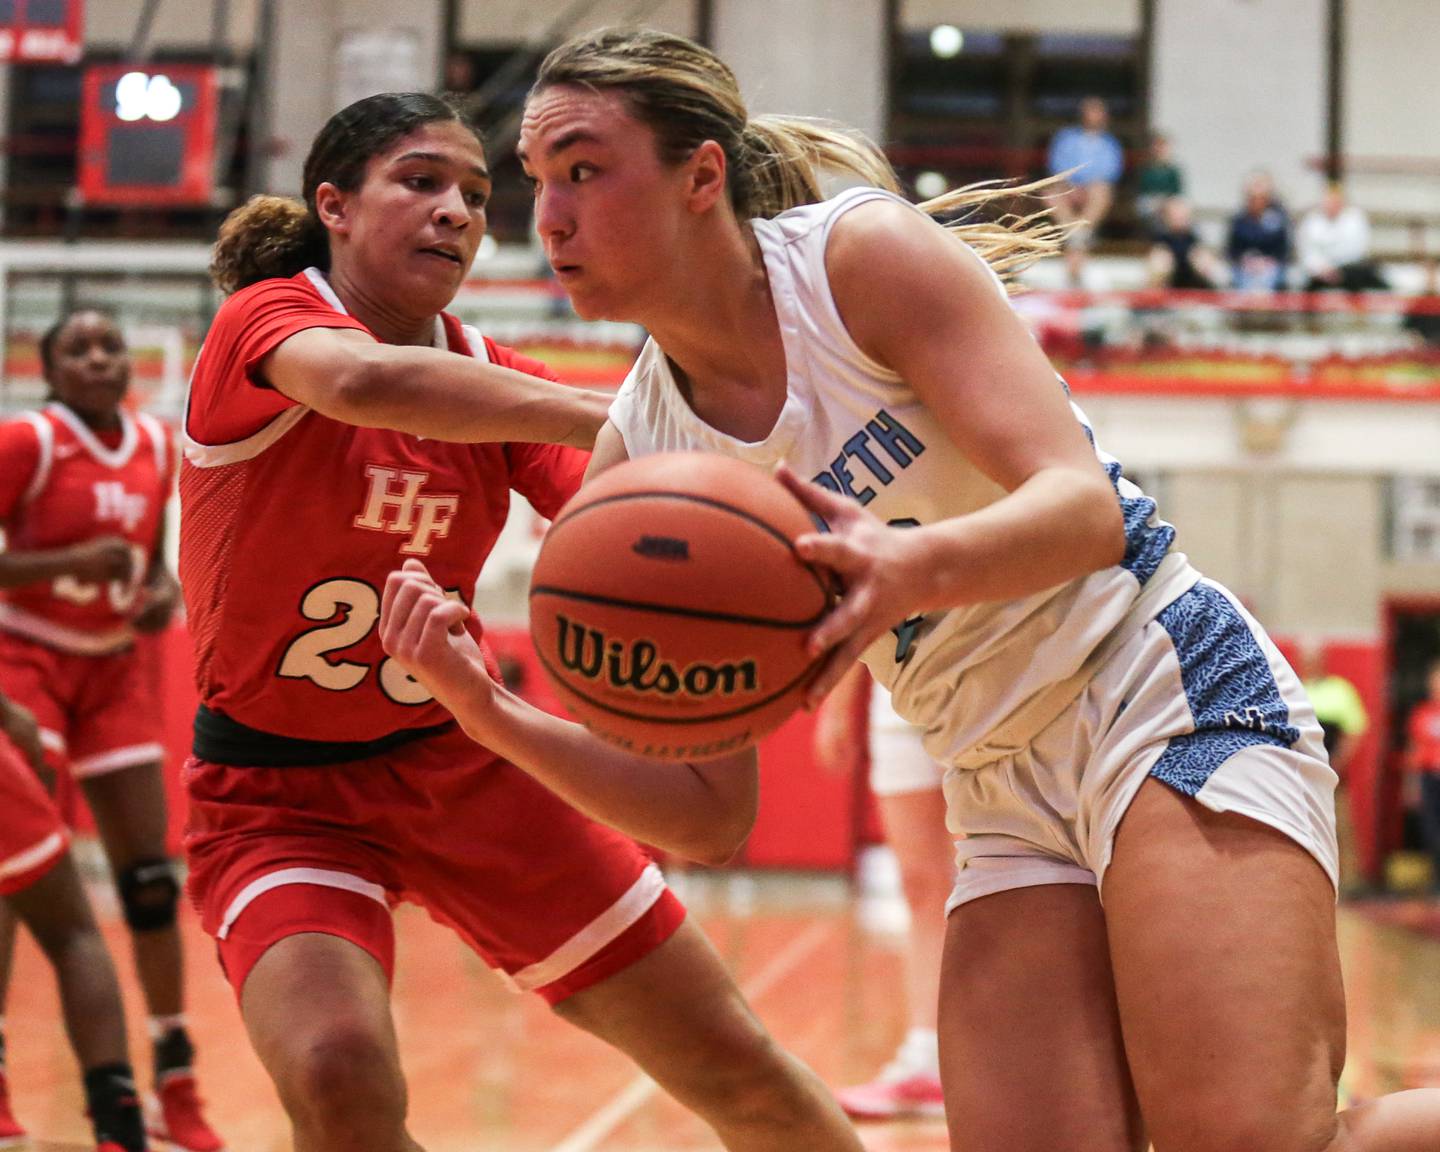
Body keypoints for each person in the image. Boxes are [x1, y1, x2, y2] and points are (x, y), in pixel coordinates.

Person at [407, 26, 1440, 1151]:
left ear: (701, 175)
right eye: (538, 181)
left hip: (1155, 688)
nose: (547, 216)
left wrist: (909, 567)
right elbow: (710, 817)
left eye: (584, 171)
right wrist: (491, 713)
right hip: (994, 782)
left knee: (1251, 1143)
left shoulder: (856, 262)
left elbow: (1084, 506)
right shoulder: (643, 451)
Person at [181, 91, 861, 1152]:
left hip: (462, 767)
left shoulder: (499, 386)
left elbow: (633, 514)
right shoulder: (263, 323)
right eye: (420, 181)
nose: (456, 210)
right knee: (336, 1071)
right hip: (276, 792)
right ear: (336, 207)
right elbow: (364, 381)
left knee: (743, 1071)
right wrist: (624, 410)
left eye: (474, 194)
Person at [0, 310, 220, 1152]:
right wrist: (64, 565)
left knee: (151, 885)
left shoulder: (158, 447)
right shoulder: (32, 441)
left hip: (114, 667)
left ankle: (176, 1074)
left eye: (110, 345)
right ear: (51, 372)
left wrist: (161, 591)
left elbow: (146, 558)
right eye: (77, 350)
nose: (99, 357)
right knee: (23, 877)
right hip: (29, 659)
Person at [0, 686, 147, 1152]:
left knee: (148, 888)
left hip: (101, 669)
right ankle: (120, 1127)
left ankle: (138, 1104)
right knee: (72, 932)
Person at [812, 666, 948, 1120]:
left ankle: (1003, 1054)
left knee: (993, 877)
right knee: (919, 884)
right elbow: (862, 597)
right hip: (897, 693)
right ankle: (927, 1058)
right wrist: (838, 705)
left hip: (990, 680)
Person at [1297, 639, 1371, 895]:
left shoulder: (1340, 691)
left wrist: (1339, 760)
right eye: (1306, 659)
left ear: (1322, 661)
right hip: (1301, 773)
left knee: (1339, 825)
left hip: (1334, 770)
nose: (1310, 663)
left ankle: (1350, 882)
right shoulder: (1296, 689)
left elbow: (1356, 729)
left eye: (1314, 659)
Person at [1045, 96, 1125, 285]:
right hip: (1069, 187)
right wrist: (1073, 183)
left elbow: (1111, 171)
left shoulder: (1110, 144)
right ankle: (1079, 235)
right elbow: (1057, 163)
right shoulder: (1066, 138)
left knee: (1101, 191)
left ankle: (1077, 235)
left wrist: (1087, 184)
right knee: (1051, 193)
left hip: (1094, 188)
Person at [1297, 183, 1389, 293]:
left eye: (1336, 202)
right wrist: (1322, 269)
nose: (1332, 205)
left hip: (1349, 269)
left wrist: (1336, 270)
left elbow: (1358, 250)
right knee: (1307, 287)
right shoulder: (1311, 222)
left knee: (1367, 276)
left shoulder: (1355, 219)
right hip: (1320, 272)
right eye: (1329, 201)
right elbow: (1307, 252)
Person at [1403, 658, 1440, 892]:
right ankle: (1437, 878)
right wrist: (1411, 785)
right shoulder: (1421, 712)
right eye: (1435, 680)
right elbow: (1413, 750)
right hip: (1428, 778)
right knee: (1430, 828)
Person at [1227, 170, 1291, 291]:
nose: (1257, 200)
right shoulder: (1238, 218)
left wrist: (1268, 262)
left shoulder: (1279, 217)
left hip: (1272, 265)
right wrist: (1246, 261)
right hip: (1244, 266)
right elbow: (1232, 250)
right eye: (1253, 197)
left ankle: (1262, 305)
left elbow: (1284, 249)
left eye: (1261, 196)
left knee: (1269, 278)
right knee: (1243, 280)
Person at [1146, 196, 1222, 290]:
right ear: (1167, 217)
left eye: (1183, 215)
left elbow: (1206, 260)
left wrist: (1203, 262)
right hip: (1168, 286)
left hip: (1194, 285)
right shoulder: (1160, 237)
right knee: (1159, 263)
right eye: (1176, 214)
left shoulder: (1194, 237)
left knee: (1206, 261)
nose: (1180, 218)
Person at [1134, 132, 1183, 236]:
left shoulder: (1172, 170)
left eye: (1163, 146)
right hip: (1147, 201)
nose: (1159, 150)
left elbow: (1176, 191)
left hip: (1167, 202)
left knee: (1176, 209)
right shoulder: (1145, 168)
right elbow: (1143, 190)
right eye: (1157, 146)